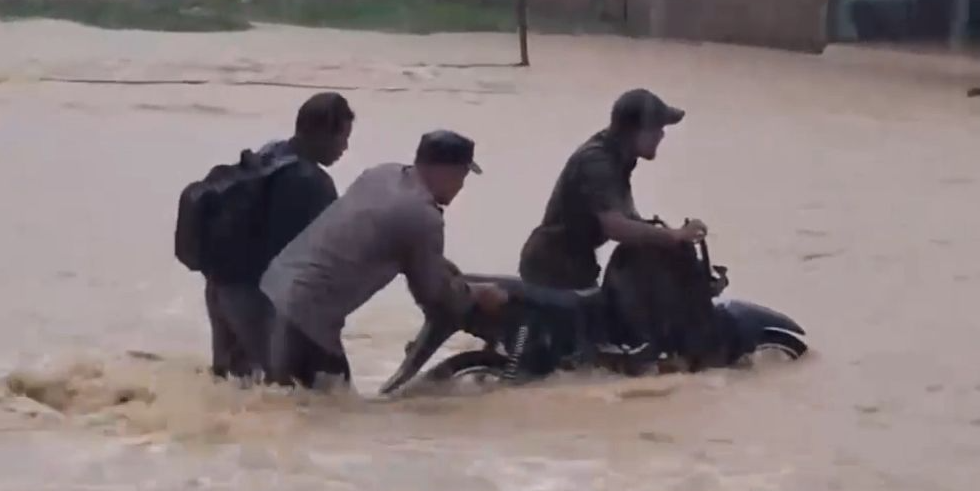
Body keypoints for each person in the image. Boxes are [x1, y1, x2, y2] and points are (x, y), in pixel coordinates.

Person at [259, 129, 509, 390]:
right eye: (462, 176)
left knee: (280, 397)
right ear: (445, 171)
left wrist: (445, 270)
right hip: (306, 316)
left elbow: (389, 241)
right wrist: (477, 295)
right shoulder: (422, 216)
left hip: (270, 291)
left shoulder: (383, 174)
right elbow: (434, 295)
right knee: (332, 407)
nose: (461, 186)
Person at [204, 92, 354, 380]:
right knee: (282, 386)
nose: (345, 148)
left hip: (218, 284)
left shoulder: (270, 153)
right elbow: (325, 256)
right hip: (251, 296)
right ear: (322, 133)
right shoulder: (313, 182)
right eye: (342, 138)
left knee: (229, 382)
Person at [517, 88, 707, 291]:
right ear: (634, 131)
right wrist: (674, 236)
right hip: (553, 267)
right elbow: (617, 227)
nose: (661, 134)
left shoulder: (620, 156)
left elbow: (629, 218)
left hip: (576, 262)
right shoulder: (598, 161)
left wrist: (674, 234)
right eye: (656, 128)